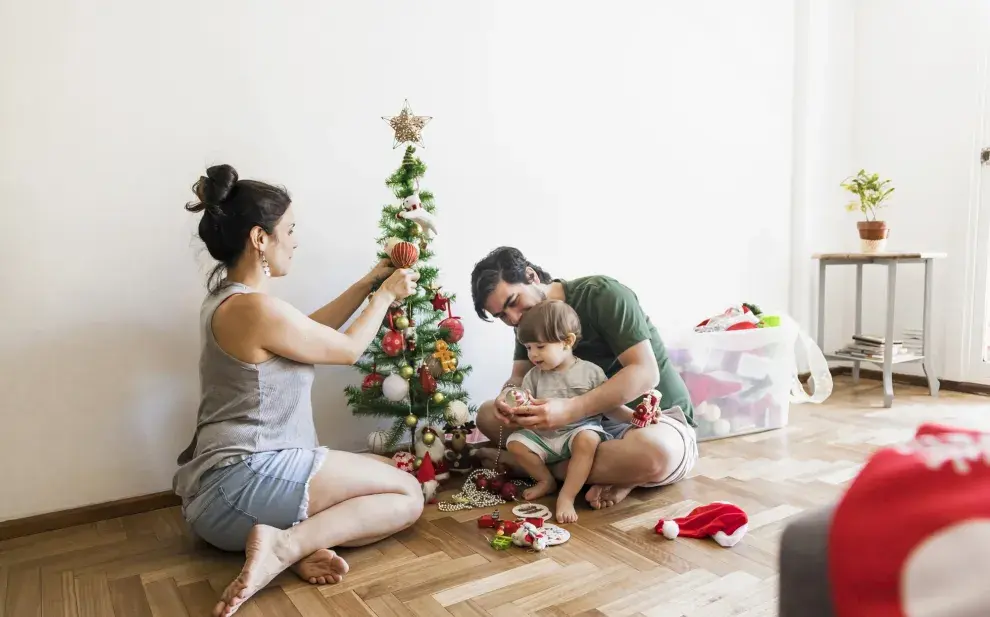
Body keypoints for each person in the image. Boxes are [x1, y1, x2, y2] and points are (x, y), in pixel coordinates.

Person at [173, 164, 424, 617]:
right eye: (288, 229)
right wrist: (386, 296)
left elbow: (308, 332)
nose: (294, 240)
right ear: (260, 238)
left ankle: (296, 543)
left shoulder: (234, 301)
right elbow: (347, 349)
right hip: (239, 488)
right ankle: (284, 547)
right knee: (408, 494)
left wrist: (369, 283)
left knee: (384, 468)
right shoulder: (252, 309)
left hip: (226, 489)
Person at [470, 246, 699, 510]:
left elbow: (645, 373)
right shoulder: (526, 320)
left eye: (512, 302)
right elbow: (518, 378)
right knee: (487, 415)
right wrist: (508, 397)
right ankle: (610, 474)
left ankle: (527, 467)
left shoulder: (602, 294)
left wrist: (571, 409)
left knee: (656, 455)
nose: (513, 318)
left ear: (531, 276)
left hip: (644, 419)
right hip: (576, 428)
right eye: (501, 315)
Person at [506, 299, 636, 523]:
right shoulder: (533, 376)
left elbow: (609, 405)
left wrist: (633, 416)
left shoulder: (590, 372)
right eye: (528, 348)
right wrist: (518, 402)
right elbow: (525, 404)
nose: (533, 355)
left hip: (578, 431)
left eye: (540, 347)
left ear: (567, 341)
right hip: (545, 436)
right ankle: (545, 480)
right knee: (515, 443)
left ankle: (567, 496)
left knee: (588, 439)